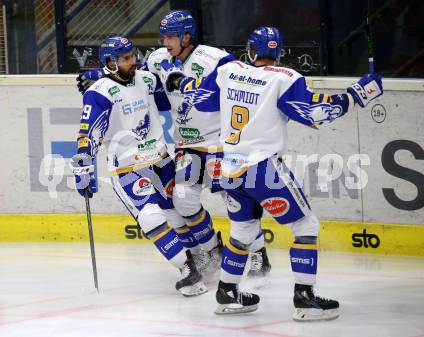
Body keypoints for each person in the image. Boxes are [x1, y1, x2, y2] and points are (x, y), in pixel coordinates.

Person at [162, 26, 383, 320]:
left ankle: (228, 293)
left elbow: (200, 97)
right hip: (263, 168)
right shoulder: (285, 78)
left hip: (228, 168)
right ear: (278, 52)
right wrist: (357, 95)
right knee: (306, 226)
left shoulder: (229, 71)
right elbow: (313, 112)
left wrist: (180, 80)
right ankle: (305, 299)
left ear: (251, 52)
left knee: (242, 231)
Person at [76, 10, 272, 278]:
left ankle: (259, 254)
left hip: (219, 143)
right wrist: (101, 71)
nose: (164, 42)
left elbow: (245, 85)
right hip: (188, 145)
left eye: (171, 37)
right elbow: (133, 80)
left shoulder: (215, 58)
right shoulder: (157, 60)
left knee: (235, 200)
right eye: (163, 36)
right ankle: (214, 253)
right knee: (184, 200)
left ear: (187, 36)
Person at [71, 36, 207, 297]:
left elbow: (170, 94)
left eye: (133, 56)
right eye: (125, 58)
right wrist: (84, 165)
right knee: (150, 217)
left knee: (179, 211)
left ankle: (202, 257)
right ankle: (187, 269)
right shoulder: (99, 92)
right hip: (127, 168)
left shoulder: (146, 79)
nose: (132, 61)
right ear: (111, 63)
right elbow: (88, 131)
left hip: (161, 159)